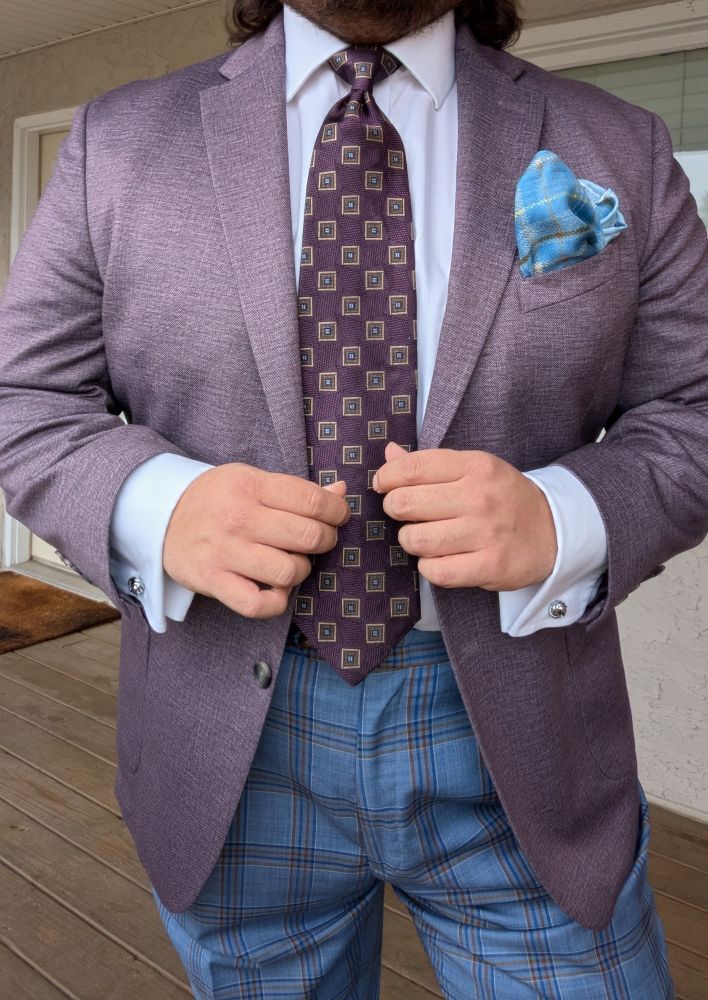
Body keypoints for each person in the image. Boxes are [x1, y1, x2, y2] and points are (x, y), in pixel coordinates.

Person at [1, 0, 706, 995]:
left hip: (530, 740)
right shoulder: (116, 141)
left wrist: (568, 516)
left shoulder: (618, 142)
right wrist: (156, 506)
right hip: (226, 742)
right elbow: (25, 397)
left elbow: (694, 405)